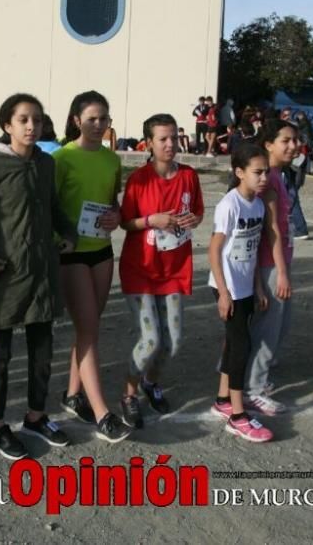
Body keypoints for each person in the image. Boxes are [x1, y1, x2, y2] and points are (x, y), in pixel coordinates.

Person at [0, 93, 78, 459]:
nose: (31, 126)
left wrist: (66, 233)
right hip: (2, 278)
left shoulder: (45, 163)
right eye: (23, 119)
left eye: (37, 119)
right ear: (7, 125)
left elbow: (52, 207)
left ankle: (36, 416)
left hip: (41, 274)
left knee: (42, 352)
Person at [54, 90, 132, 442]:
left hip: (102, 252)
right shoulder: (61, 159)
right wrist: (60, 237)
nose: (99, 125)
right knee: (88, 329)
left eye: (104, 118)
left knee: (89, 327)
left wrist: (116, 216)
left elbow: (111, 203)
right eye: (92, 118)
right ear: (76, 120)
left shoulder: (111, 160)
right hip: (71, 255)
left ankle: (73, 394)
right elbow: (49, 207)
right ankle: (102, 413)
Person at [117, 114, 203, 429]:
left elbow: (197, 212)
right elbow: (126, 222)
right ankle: (128, 394)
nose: (170, 144)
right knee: (151, 339)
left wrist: (192, 220)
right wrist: (152, 220)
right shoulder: (139, 179)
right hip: (140, 269)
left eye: (174, 138)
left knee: (173, 341)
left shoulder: (190, 176)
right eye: (163, 139)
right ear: (149, 143)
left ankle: (150, 382)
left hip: (175, 270)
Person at [207, 142, 273, 442]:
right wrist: (223, 293)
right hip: (228, 287)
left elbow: (254, 249)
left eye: (266, 172)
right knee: (242, 345)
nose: (264, 178)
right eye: (257, 173)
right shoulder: (229, 205)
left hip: (246, 286)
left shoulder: (258, 206)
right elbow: (214, 249)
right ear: (239, 172)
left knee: (234, 344)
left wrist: (259, 286)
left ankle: (223, 399)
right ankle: (237, 415)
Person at [243, 120, 299, 416]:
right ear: (268, 144)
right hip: (269, 263)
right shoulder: (267, 180)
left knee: (277, 325)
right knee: (269, 328)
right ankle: (253, 387)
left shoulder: (278, 175)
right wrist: (279, 272)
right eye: (286, 141)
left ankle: (241, 370)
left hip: (279, 262)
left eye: (295, 140)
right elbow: (269, 231)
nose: (293, 146)